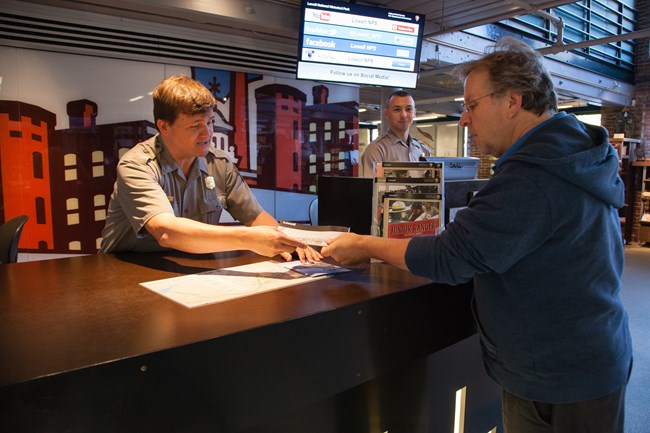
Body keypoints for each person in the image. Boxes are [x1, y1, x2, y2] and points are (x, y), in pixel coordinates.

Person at [323, 37, 632, 433]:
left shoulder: (532, 175)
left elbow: (452, 256)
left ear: (512, 102)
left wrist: (364, 245)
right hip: (591, 353)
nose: (464, 119)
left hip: (558, 377)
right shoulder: (573, 155)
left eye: (471, 106)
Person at [99, 74, 320, 263]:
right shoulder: (137, 165)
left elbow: (256, 217)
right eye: (195, 126)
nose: (207, 134)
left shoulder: (220, 164)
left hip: (193, 267)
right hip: (127, 271)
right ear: (164, 126)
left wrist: (289, 244)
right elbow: (166, 232)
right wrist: (248, 239)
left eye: (210, 122)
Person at [360, 90, 431, 177]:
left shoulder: (423, 150)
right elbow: (371, 189)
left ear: (414, 113)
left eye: (408, 109)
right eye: (397, 109)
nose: (403, 115)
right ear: (386, 113)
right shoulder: (376, 150)